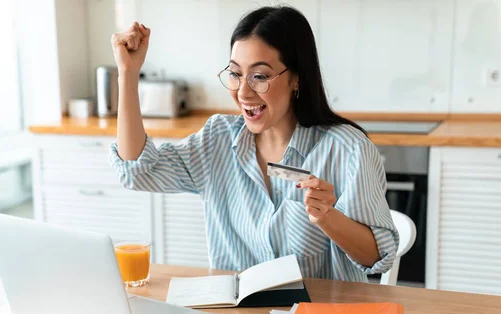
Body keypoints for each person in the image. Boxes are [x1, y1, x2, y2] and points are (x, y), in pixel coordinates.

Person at [109, 6, 398, 282]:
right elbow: (137, 172)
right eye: (235, 74)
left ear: (296, 79)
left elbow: (379, 257)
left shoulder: (346, 150)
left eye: (260, 76)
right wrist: (128, 74)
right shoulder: (217, 140)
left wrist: (328, 218)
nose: (244, 92)